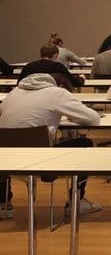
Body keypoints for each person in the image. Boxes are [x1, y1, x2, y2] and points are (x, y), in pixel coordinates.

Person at [0, 73, 103, 216]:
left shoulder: (13, 93)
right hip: (41, 157)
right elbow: (93, 119)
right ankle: (76, 202)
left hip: (6, 158)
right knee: (85, 144)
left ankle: (3, 203)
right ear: (60, 85)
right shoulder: (57, 93)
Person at [18, 44, 84, 90]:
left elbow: (19, 84)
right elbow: (74, 82)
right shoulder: (57, 67)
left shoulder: (28, 66)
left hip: (30, 99)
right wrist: (81, 78)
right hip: (51, 98)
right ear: (55, 55)